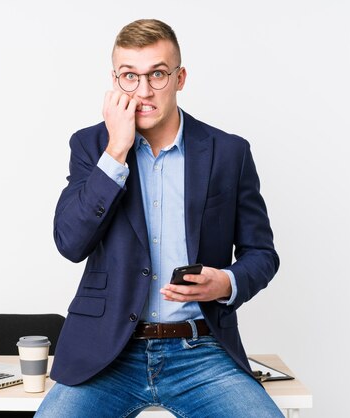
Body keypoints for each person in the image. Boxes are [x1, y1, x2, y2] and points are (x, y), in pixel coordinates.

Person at [36, 19, 282, 418]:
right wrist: (116, 150)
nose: (144, 91)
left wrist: (226, 282)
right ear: (114, 80)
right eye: (129, 77)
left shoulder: (229, 152)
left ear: (180, 77)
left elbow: (262, 253)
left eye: (157, 74)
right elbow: (70, 242)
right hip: (108, 354)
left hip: (200, 351)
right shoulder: (91, 145)